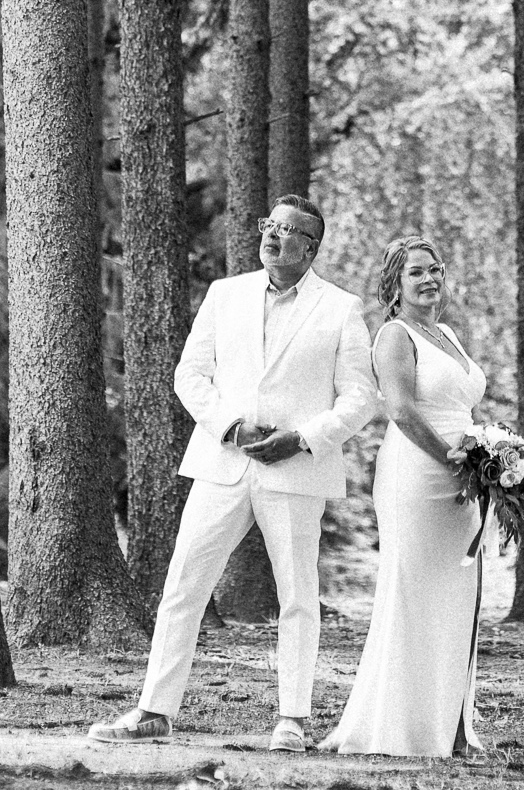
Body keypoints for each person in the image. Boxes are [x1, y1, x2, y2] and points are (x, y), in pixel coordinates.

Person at [87, 195, 377, 754]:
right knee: (183, 586)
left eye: (288, 230)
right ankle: (153, 710)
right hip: (223, 463)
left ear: (310, 248)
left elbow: (361, 397)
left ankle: (292, 720)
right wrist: (231, 427)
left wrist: (303, 438)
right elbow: (190, 375)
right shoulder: (226, 294)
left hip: (295, 470)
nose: (272, 234)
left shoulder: (341, 308)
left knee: (298, 598)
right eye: (270, 224)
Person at [321, 234, 488, 757]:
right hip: (418, 475)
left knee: (458, 598)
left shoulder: (448, 334)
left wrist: (490, 457)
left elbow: (462, 406)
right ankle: (398, 728)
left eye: (435, 269)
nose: (429, 278)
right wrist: (453, 458)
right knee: (413, 595)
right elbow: (400, 410)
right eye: (416, 271)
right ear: (395, 284)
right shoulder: (394, 336)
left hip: (466, 480)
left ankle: (454, 728)